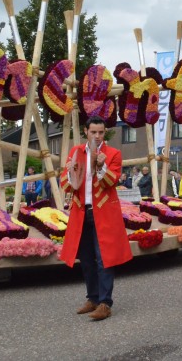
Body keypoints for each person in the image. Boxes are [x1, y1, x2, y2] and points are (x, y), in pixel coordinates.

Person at [59, 115, 133, 321]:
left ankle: (105, 303)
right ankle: (92, 298)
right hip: (81, 214)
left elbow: (112, 182)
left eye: (101, 132)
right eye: (94, 132)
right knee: (87, 261)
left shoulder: (113, 154)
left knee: (104, 259)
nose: (98, 136)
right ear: (86, 132)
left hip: (105, 215)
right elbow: (65, 185)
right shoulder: (75, 153)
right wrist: (70, 173)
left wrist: (101, 167)